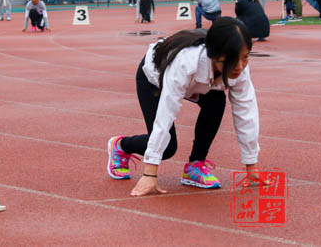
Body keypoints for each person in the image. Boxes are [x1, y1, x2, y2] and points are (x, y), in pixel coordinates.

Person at [107, 17, 263, 196]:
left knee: (217, 101)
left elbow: (246, 112)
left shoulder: (238, 67)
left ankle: (195, 165)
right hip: (154, 79)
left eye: (245, 57)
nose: (240, 66)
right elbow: (166, 115)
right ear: (213, 54)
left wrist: (251, 165)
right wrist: (150, 173)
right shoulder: (185, 63)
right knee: (168, 147)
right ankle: (121, 145)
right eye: (231, 60)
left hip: (199, 83)